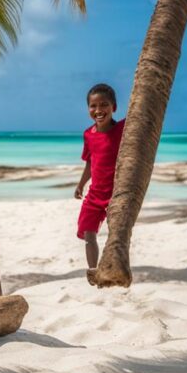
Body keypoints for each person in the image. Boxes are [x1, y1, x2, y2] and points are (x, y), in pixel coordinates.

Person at [74, 83, 125, 269]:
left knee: (117, 234)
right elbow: (90, 162)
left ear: (114, 107)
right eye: (93, 106)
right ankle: (93, 271)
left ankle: (116, 265)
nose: (98, 110)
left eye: (104, 104)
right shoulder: (88, 134)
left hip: (117, 193)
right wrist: (80, 184)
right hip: (95, 194)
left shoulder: (123, 129)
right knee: (89, 234)